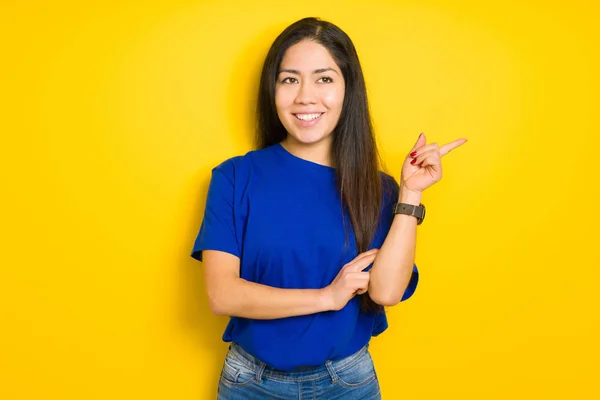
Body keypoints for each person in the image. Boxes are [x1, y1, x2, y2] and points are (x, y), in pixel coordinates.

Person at [191, 17, 467, 400]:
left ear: (347, 89)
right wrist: (327, 296)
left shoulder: (379, 188)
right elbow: (222, 295)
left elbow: (387, 291)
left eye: (324, 78)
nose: (306, 96)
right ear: (272, 90)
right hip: (250, 384)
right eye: (290, 79)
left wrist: (410, 194)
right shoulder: (235, 177)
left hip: (347, 383)